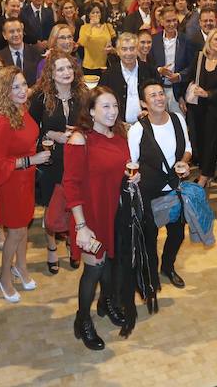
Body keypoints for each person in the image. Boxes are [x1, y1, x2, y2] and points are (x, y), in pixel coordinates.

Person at [63, 87, 134, 350]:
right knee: (94, 269)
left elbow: (121, 170)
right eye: (105, 106)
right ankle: (82, 320)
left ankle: (107, 302)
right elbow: (71, 184)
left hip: (114, 211)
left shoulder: (120, 135)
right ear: (91, 111)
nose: (112, 111)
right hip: (89, 214)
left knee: (111, 265)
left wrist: (132, 178)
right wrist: (81, 226)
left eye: (114, 106)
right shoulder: (80, 139)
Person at [0, 67, 51, 302]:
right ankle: (3, 277)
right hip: (11, 182)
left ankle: (21, 268)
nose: (22, 90)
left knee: (23, 227)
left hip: (25, 178)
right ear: (5, 91)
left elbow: (25, 139)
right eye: (15, 87)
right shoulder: (4, 121)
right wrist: (30, 159)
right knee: (15, 233)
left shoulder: (21, 110)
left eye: (24, 84)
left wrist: (40, 144)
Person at [127, 79, 193, 291]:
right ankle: (151, 274)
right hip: (149, 192)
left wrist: (184, 160)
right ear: (143, 103)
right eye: (152, 95)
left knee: (177, 233)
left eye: (160, 93)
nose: (159, 98)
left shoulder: (177, 119)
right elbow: (131, 161)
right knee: (150, 236)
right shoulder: (137, 129)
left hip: (175, 188)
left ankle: (168, 266)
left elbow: (188, 147)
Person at [30, 51, 87, 272]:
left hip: (77, 160)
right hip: (51, 160)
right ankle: (52, 247)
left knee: (76, 203)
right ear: (51, 74)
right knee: (51, 207)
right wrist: (50, 135)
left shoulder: (83, 95)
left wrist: (80, 130)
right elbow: (31, 130)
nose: (66, 72)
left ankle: (74, 241)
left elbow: (93, 125)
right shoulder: (40, 97)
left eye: (69, 68)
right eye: (60, 69)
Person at [187, 28, 217, 187]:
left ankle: (205, 177)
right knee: (199, 142)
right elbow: (190, 76)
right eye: (216, 39)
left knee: (211, 143)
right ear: (209, 41)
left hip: (215, 109)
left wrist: (208, 94)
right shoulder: (199, 57)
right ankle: (206, 172)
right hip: (197, 108)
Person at [99, 33, 158, 126]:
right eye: (124, 49)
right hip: (118, 127)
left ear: (137, 50)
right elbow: (101, 102)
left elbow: (158, 98)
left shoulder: (150, 72)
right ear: (118, 52)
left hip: (147, 125)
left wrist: (150, 113)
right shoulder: (108, 75)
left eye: (132, 48)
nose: (129, 53)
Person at [151, 6, 194, 116]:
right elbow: (148, 64)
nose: (172, 24)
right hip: (158, 90)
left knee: (179, 125)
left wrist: (179, 76)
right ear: (161, 21)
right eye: (168, 21)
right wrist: (160, 70)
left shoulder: (186, 40)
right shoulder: (154, 40)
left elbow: (192, 66)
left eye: (174, 20)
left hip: (178, 92)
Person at [0, 18, 41, 86]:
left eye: (18, 30)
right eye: (11, 31)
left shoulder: (36, 53)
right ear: (4, 35)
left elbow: (41, 79)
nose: (16, 34)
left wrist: (32, 91)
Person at [78, 3, 116, 76]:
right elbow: (83, 43)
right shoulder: (84, 28)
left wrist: (111, 49)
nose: (95, 15)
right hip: (89, 66)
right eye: (93, 13)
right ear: (88, 15)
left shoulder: (108, 26)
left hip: (105, 65)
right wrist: (91, 26)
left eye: (98, 12)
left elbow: (115, 44)